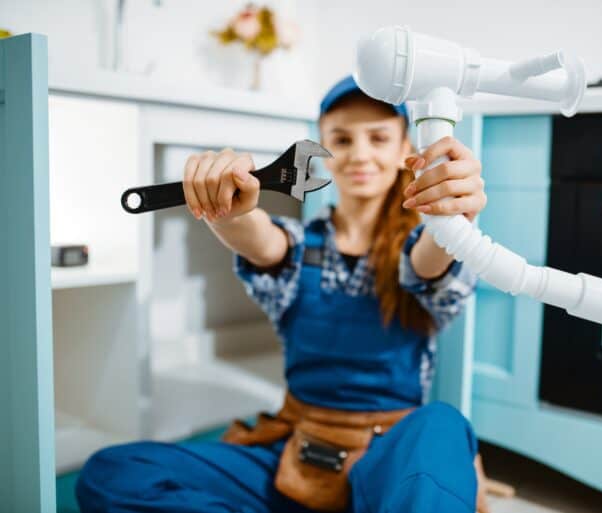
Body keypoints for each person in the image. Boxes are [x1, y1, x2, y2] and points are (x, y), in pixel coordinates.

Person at [76, 75, 488, 513]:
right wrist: (229, 214)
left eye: (379, 137)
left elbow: (427, 261)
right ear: (322, 148)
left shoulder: (424, 244)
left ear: (405, 147)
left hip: (393, 461)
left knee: (442, 426)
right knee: (114, 472)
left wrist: (452, 220)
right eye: (342, 139)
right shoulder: (298, 246)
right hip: (298, 449)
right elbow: (263, 241)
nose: (360, 154)